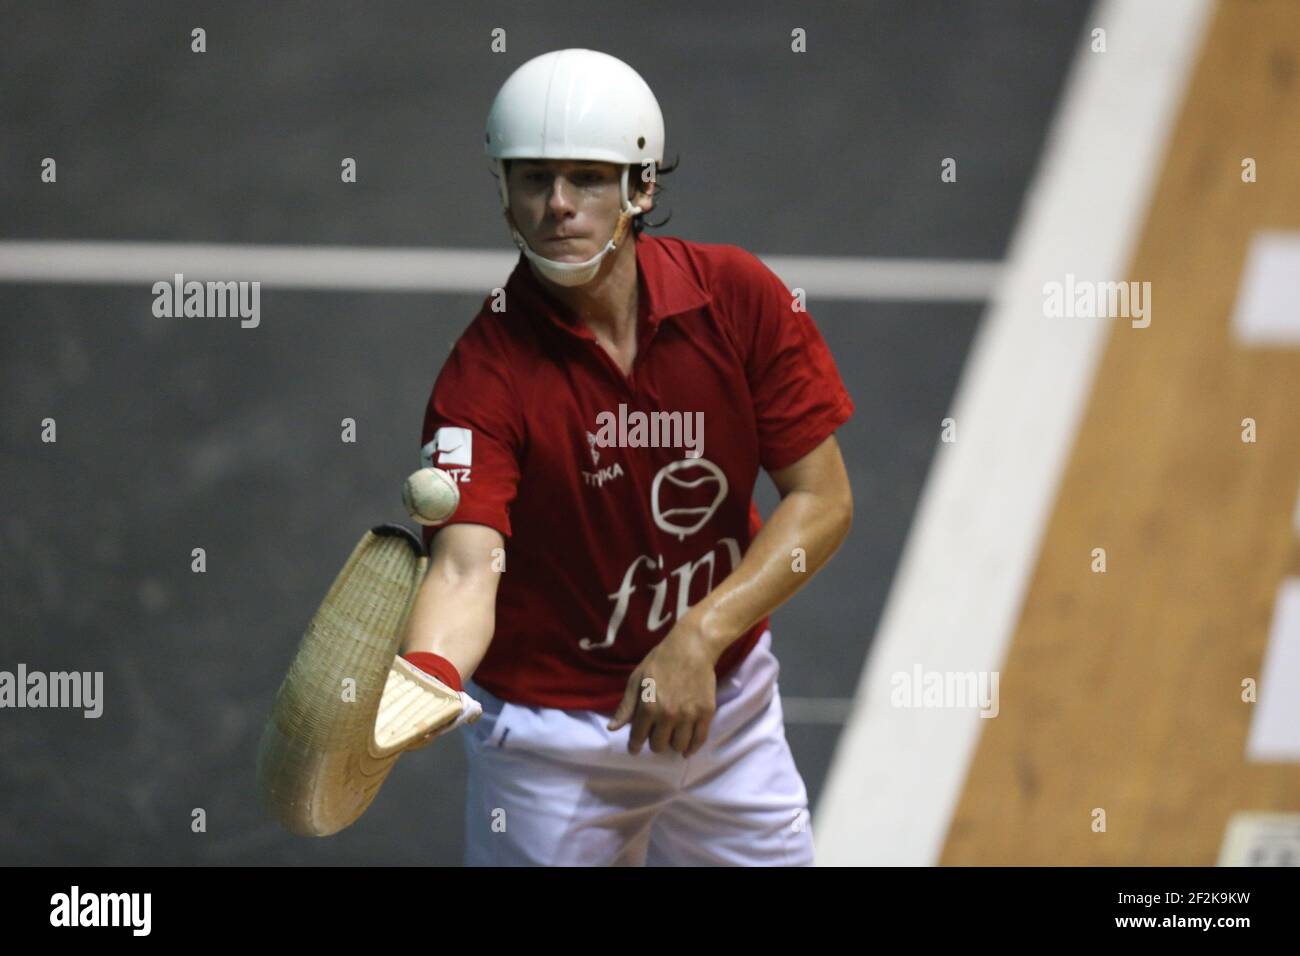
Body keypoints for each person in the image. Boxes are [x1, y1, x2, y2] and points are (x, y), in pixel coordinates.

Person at [400, 48, 854, 866]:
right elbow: (466, 570)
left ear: (640, 189)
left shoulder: (740, 298)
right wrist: (426, 674)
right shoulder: (481, 378)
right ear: (503, 194)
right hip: (551, 744)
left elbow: (822, 499)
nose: (559, 206)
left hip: (725, 705)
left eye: (589, 178)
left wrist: (699, 638)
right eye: (534, 178)